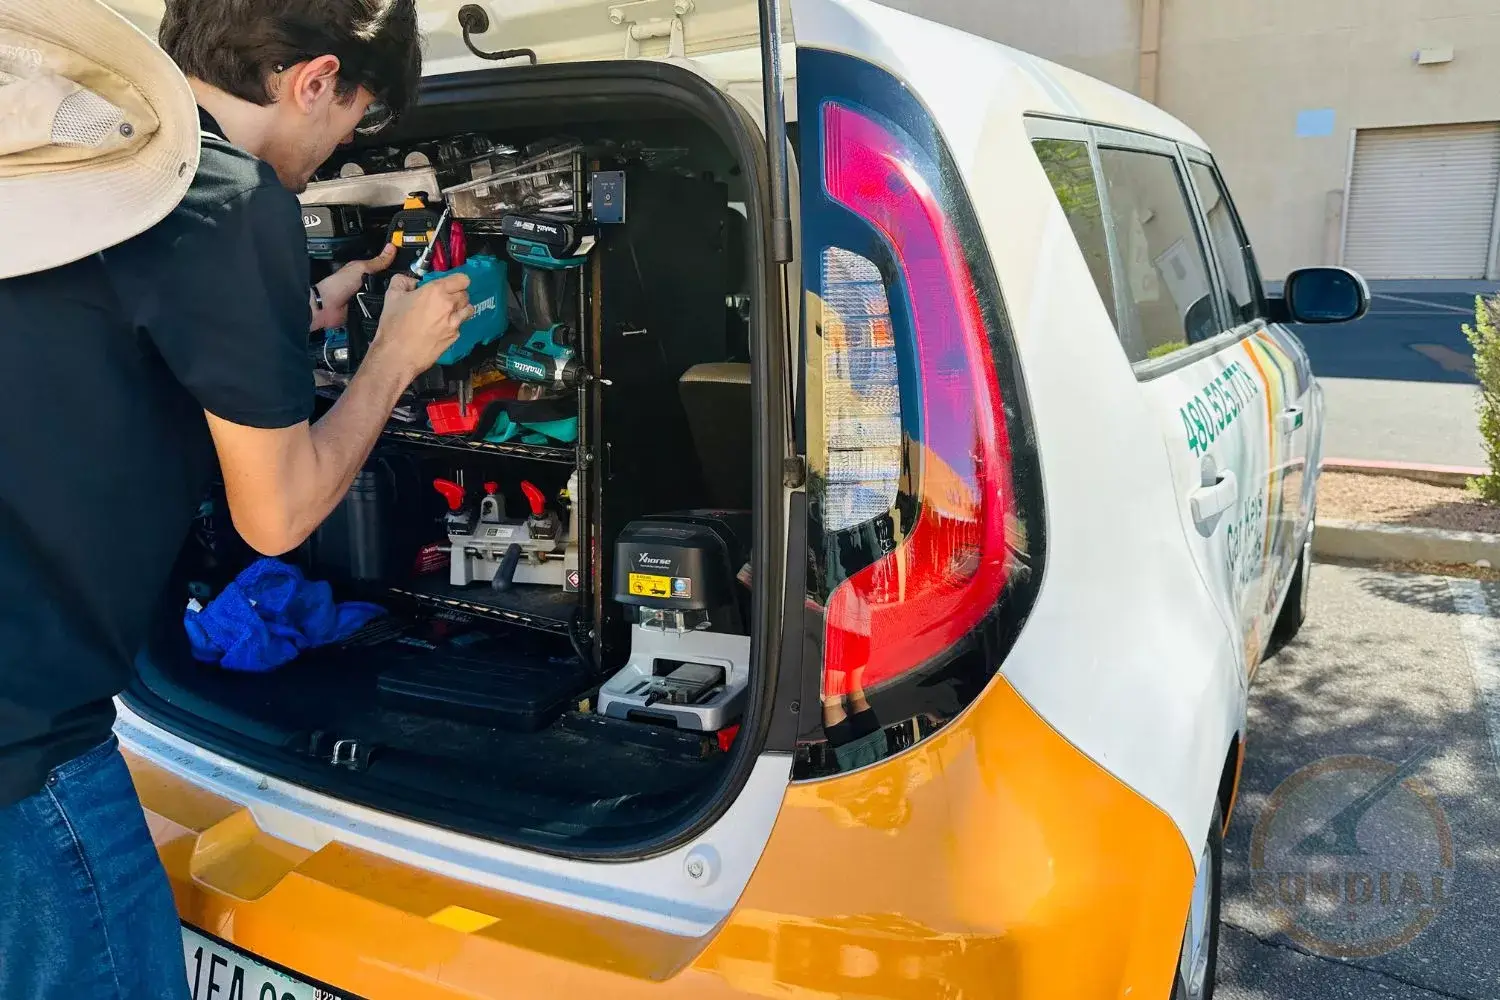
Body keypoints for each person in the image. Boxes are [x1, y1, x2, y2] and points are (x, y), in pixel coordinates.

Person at [0, 1, 465, 996]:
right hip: (26, 759)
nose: (342, 147)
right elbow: (279, 517)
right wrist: (393, 356)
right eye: (354, 118)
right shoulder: (231, 199)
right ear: (311, 80)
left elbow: (107, 336)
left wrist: (298, 311)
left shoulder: (70, 167)